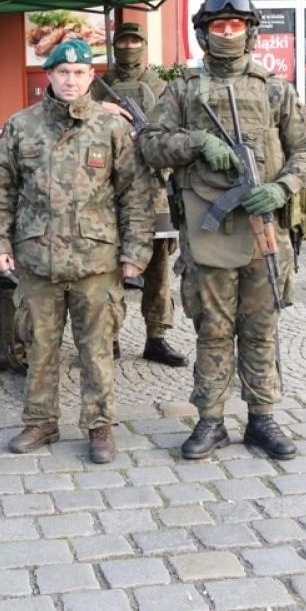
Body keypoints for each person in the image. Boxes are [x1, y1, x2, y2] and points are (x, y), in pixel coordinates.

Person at [138, 0, 306, 462]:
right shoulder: (182, 90)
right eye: (218, 27)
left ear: (250, 32)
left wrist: (283, 188)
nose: (226, 34)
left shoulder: (275, 89)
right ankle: (211, 420)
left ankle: (262, 417)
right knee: (213, 329)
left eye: (234, 27)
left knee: (261, 327)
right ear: (204, 33)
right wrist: (197, 142)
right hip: (207, 227)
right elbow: (151, 144)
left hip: (264, 230)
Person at [0, 38, 152, 465]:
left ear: (91, 76)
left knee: (96, 346)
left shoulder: (112, 128)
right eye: (63, 73)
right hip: (38, 255)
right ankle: (41, 420)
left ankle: (100, 426)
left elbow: (135, 194)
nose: (71, 80)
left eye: (79, 73)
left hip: (97, 259)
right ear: (50, 76)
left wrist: (135, 251)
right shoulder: (21, 126)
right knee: (39, 344)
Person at [100, 21, 187, 368]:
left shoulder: (160, 86)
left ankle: (157, 336)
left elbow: (176, 133)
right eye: (123, 41)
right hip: (109, 188)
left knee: (158, 266)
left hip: (154, 187)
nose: (129, 46)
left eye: (135, 40)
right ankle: (111, 337)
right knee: (110, 265)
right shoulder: (97, 86)